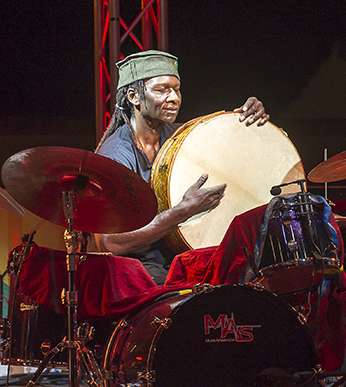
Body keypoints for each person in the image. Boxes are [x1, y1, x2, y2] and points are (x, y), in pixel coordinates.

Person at [93, 50, 269, 284]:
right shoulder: (116, 156)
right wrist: (183, 211)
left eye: (176, 89)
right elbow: (111, 243)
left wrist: (243, 121)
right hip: (141, 267)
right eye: (161, 90)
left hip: (182, 255)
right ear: (134, 97)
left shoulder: (179, 137)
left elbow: (223, 144)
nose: (174, 97)